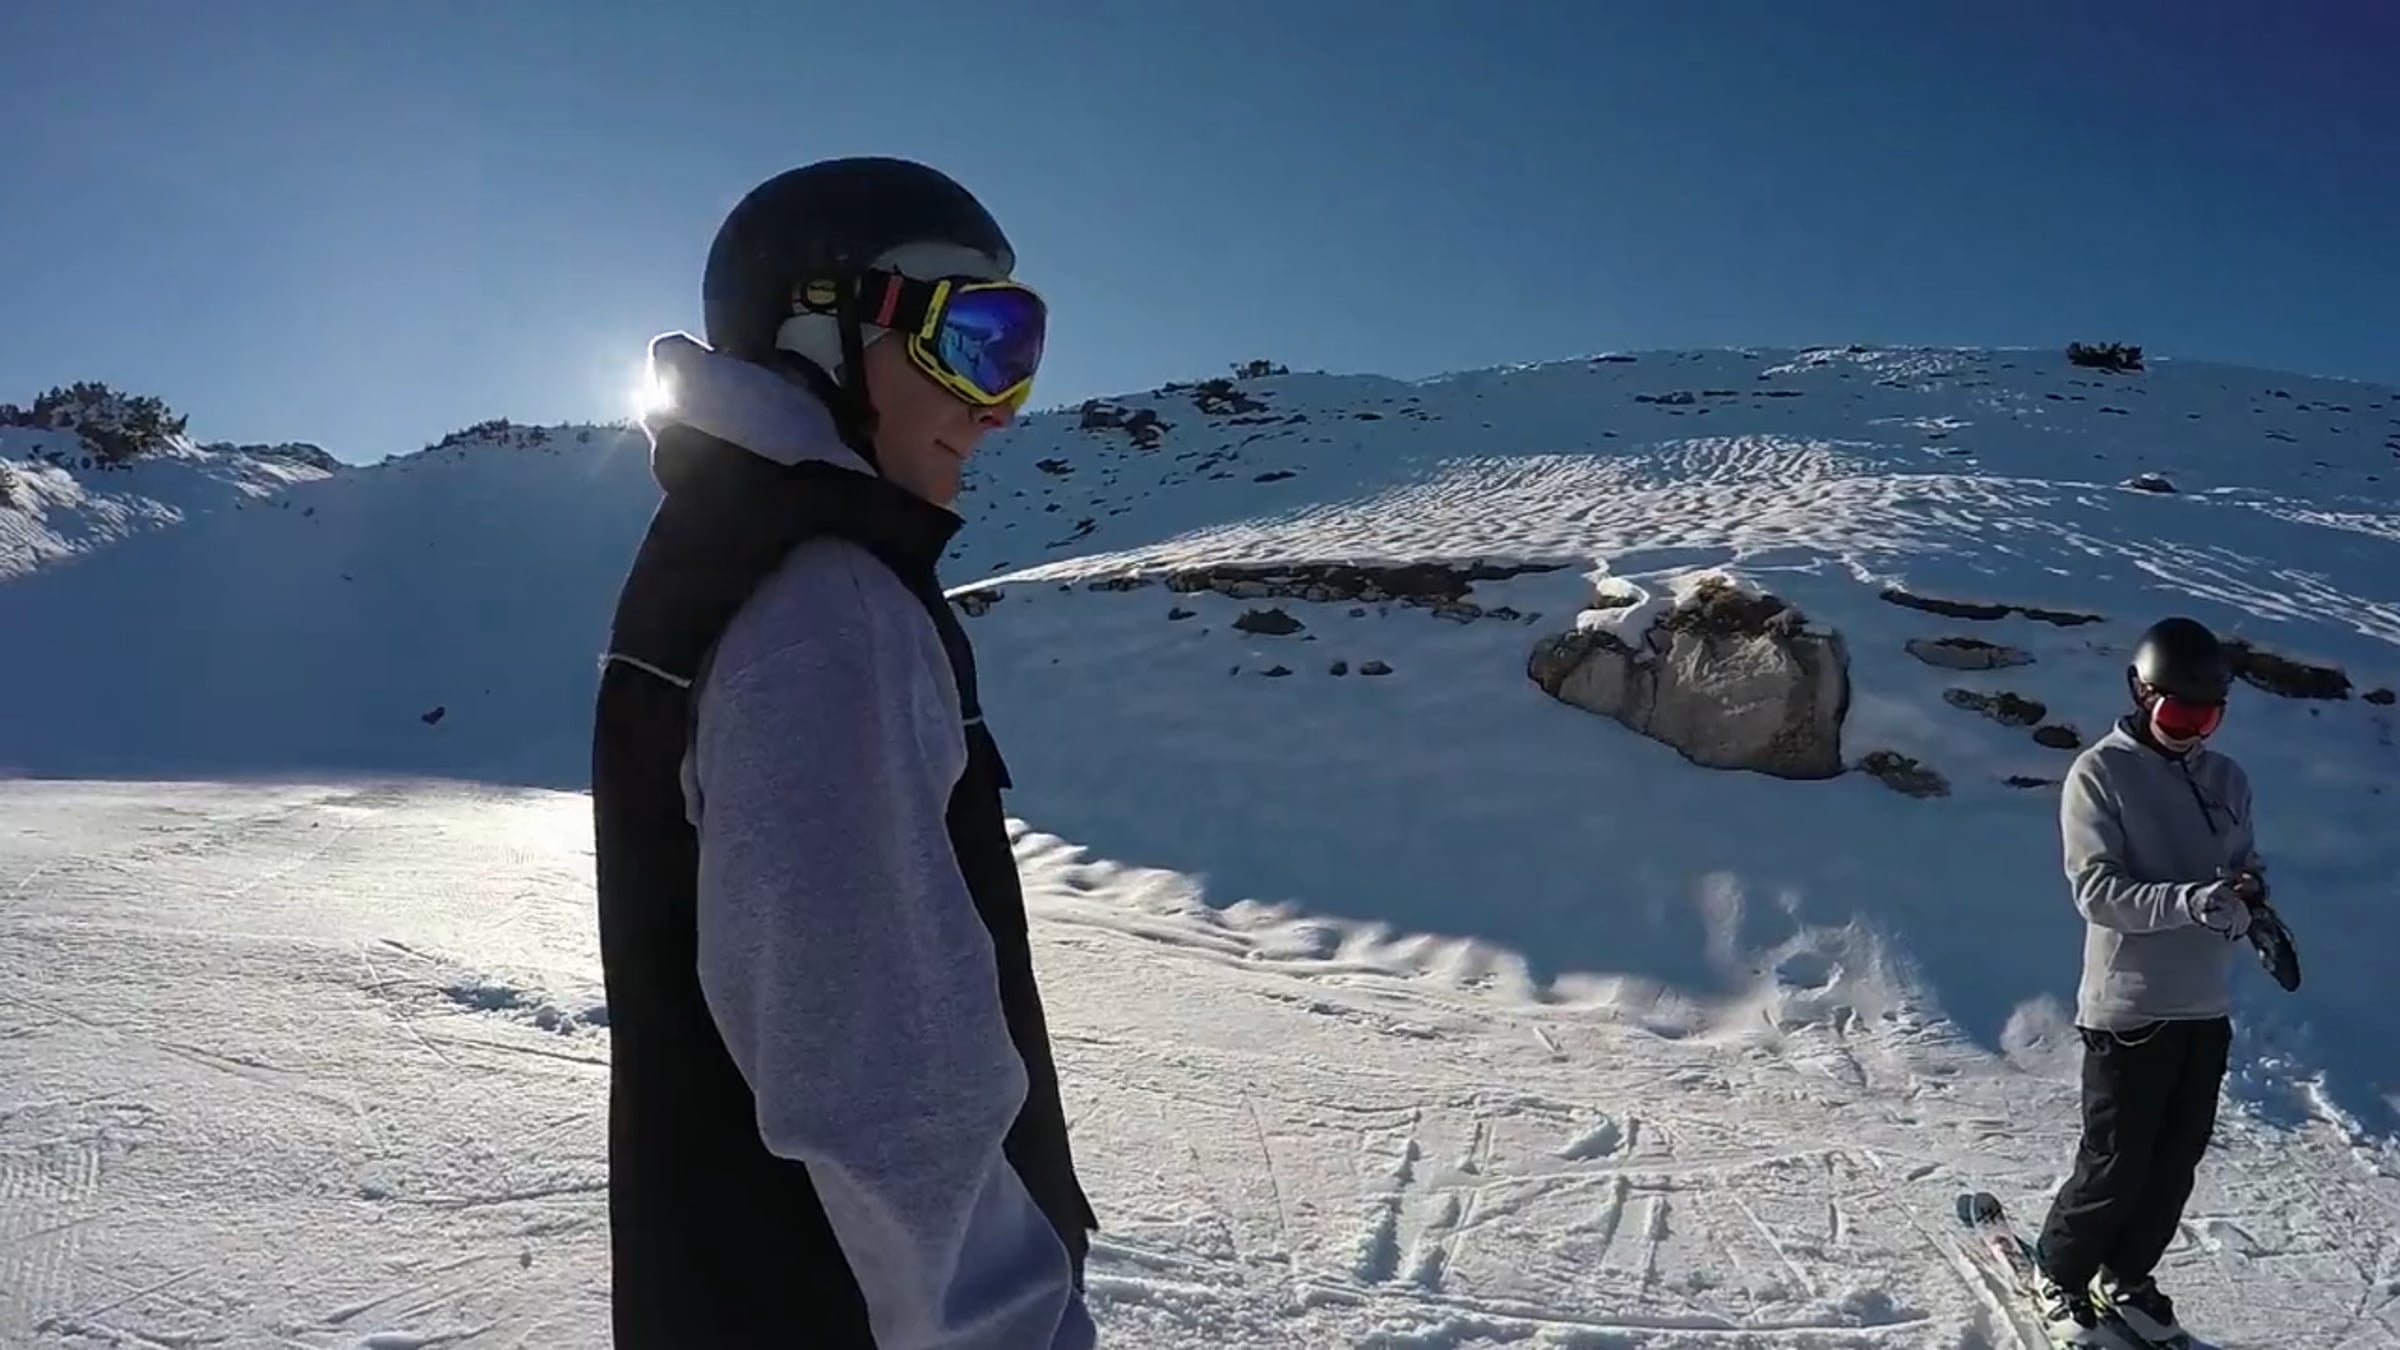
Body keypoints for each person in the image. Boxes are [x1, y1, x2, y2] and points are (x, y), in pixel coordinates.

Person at [590, 156, 1097, 1349]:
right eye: (973, 341)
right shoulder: (830, 610)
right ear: (819, 327)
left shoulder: (731, 556)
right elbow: (888, 1101)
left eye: (1018, 351)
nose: (998, 407)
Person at [2032, 616, 2262, 1347]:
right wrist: (2191, 902)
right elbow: (2096, 891)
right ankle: (2060, 1274)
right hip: (2129, 1007)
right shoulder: (2100, 773)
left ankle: (2126, 1275)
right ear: (2141, 693)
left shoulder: (2227, 780)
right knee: (2117, 1163)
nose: (2192, 732)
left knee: (2174, 1165)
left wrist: (2251, 903)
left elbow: (2245, 867)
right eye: (2179, 715)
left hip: (2205, 1003)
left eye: (2207, 718)